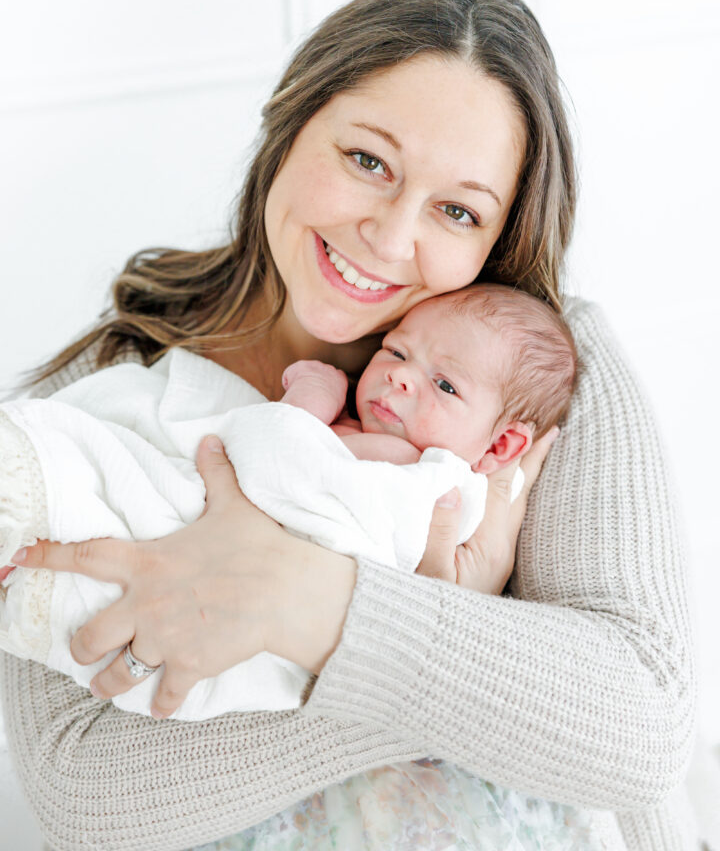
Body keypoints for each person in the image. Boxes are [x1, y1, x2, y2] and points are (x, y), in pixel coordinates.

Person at [0, 0, 695, 851]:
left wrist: (315, 602)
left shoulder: (534, 377)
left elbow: (640, 731)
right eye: (368, 161)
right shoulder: (96, 418)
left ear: (499, 235)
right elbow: (85, 792)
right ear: (289, 126)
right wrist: (457, 634)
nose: (391, 235)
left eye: (455, 210)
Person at [0, 284, 577, 721]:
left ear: (502, 445)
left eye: (446, 386)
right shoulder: (381, 443)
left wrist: (305, 402)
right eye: (397, 351)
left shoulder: (425, 480)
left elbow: (275, 473)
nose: (401, 378)